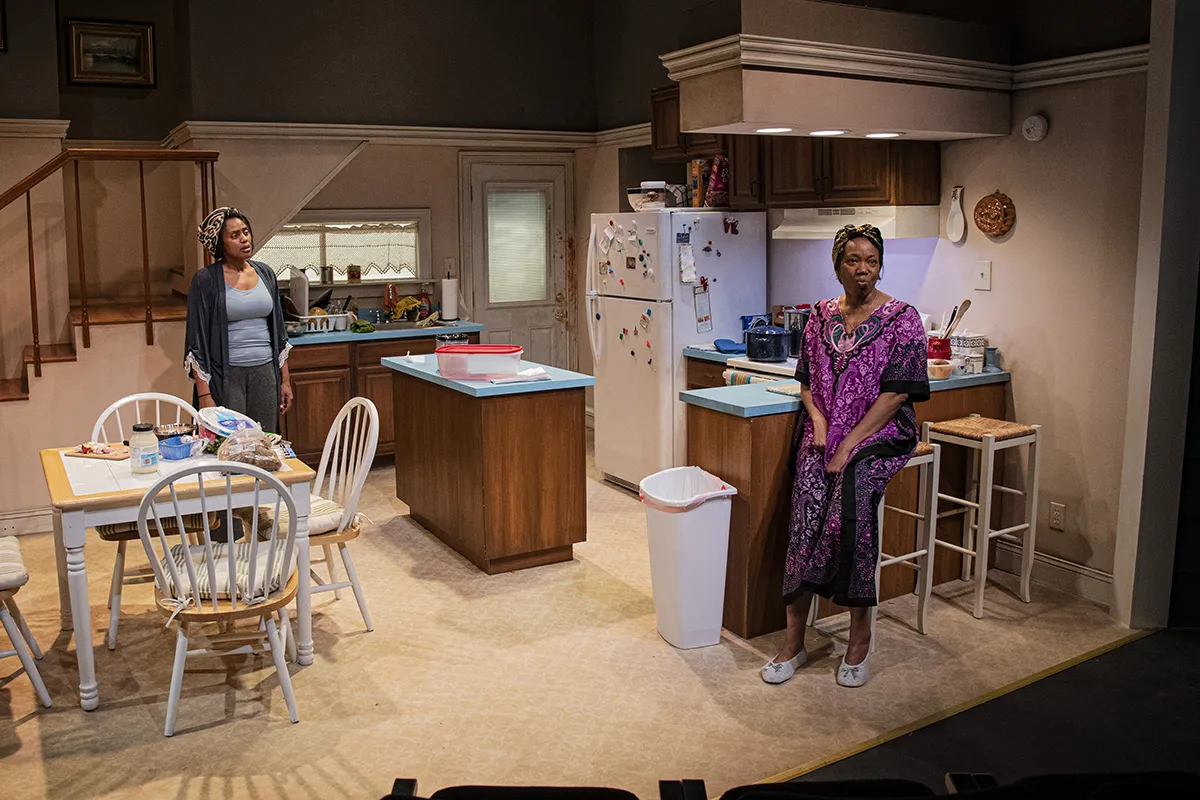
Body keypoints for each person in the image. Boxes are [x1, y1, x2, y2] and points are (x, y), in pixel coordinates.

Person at [762, 224, 929, 689]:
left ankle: (859, 639)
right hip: (823, 432)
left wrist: (849, 445)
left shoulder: (903, 319)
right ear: (837, 266)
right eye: (853, 260)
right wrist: (818, 422)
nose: (862, 270)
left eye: (871, 261)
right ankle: (793, 642)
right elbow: (806, 382)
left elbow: (897, 394)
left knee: (850, 506)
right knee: (805, 512)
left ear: (880, 266)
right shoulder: (818, 315)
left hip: (880, 434)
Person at [185, 207, 293, 434]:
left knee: (264, 441)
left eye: (245, 232)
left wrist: (285, 381)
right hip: (227, 376)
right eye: (234, 235)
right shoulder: (205, 280)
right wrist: (204, 395)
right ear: (220, 244)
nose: (244, 239)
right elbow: (196, 342)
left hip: (266, 373)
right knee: (230, 443)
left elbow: (279, 333)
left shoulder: (265, 273)